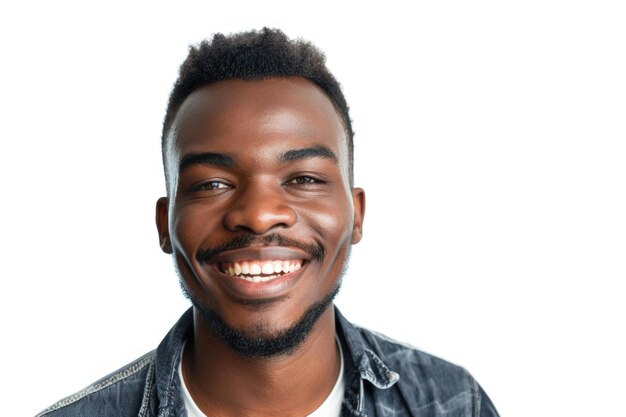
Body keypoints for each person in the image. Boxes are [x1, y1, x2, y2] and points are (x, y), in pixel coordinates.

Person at [37, 28, 499, 417]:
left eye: (302, 178)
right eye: (212, 184)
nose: (258, 215)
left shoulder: (452, 403)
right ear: (165, 223)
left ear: (357, 213)